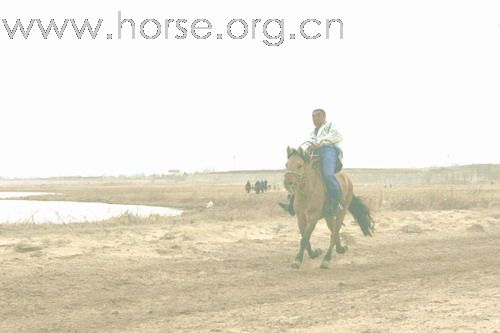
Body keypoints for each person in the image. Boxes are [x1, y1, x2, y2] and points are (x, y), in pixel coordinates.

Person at [279, 108, 343, 216]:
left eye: (318, 116)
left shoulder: (330, 125)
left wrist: (321, 143)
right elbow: (308, 144)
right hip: (314, 152)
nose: (315, 118)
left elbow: (337, 136)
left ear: (324, 117)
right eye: (313, 116)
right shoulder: (311, 133)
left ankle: (336, 202)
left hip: (328, 150)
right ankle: (291, 202)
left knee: (327, 175)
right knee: (301, 174)